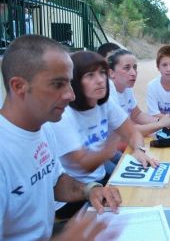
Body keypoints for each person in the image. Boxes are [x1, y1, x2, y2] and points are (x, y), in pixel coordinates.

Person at [0, 35, 121, 240]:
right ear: (19, 86)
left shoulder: (44, 127)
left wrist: (91, 190)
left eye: (70, 83)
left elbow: (55, 181)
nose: (70, 95)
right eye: (58, 84)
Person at [50, 51, 158, 219]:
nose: (100, 80)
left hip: (99, 181)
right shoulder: (63, 115)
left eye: (102, 73)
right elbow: (84, 165)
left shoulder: (104, 103)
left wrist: (139, 150)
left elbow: (132, 133)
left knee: (149, 194)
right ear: (74, 81)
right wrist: (112, 144)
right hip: (72, 197)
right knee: (132, 207)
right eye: (90, 75)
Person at [108, 49, 170, 136]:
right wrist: (160, 124)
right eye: (126, 68)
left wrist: (161, 121)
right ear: (111, 73)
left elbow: (137, 115)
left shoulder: (126, 87)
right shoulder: (108, 93)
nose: (133, 73)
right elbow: (127, 130)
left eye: (135, 67)